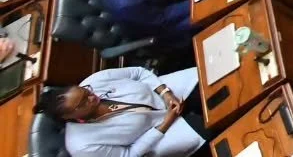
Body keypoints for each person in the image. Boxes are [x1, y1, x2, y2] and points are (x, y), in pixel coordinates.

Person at [41, 66, 206, 157]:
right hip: (161, 135)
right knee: (211, 126)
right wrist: (166, 123)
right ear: (68, 117)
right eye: (83, 103)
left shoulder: (93, 81)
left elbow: (139, 73)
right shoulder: (82, 146)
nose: (92, 98)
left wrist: (165, 93)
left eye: (87, 92)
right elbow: (129, 154)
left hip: (163, 92)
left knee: (217, 84)